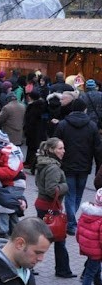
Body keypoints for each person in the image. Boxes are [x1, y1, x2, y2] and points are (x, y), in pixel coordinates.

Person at [54, 98, 102, 235]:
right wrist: (99, 167)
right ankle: (71, 222)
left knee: (70, 194)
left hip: (67, 165)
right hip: (85, 165)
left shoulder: (63, 124)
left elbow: (54, 142)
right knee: (78, 195)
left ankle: (70, 222)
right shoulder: (92, 126)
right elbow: (98, 149)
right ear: (85, 109)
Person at [34, 137, 75, 278]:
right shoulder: (53, 167)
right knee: (58, 238)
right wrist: (66, 186)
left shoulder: (44, 163)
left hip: (42, 204)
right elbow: (52, 190)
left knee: (39, 236)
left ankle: (61, 269)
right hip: (50, 208)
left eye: (63, 148)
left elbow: (38, 183)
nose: (63, 151)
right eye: (60, 148)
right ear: (51, 150)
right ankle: (63, 270)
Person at [0, 130, 27, 237]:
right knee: (11, 210)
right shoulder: (4, 152)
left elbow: (11, 170)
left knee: (2, 205)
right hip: (13, 184)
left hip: (14, 184)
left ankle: (2, 232)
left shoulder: (10, 153)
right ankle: (16, 233)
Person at [76, 188, 102, 285]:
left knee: (95, 270)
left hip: (87, 247)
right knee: (90, 273)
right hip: (96, 251)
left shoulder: (86, 212)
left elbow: (78, 231)